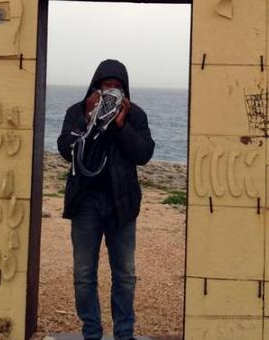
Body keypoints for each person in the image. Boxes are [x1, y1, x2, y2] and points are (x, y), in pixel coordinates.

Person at [57, 59, 155, 340]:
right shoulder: (78, 111)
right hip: (85, 202)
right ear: (95, 87)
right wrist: (89, 119)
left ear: (125, 91)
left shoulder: (135, 116)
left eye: (117, 87)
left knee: (124, 274)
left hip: (121, 205)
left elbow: (144, 154)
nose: (111, 92)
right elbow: (66, 148)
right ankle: (91, 333)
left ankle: (124, 334)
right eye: (105, 86)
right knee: (84, 274)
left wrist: (122, 126)